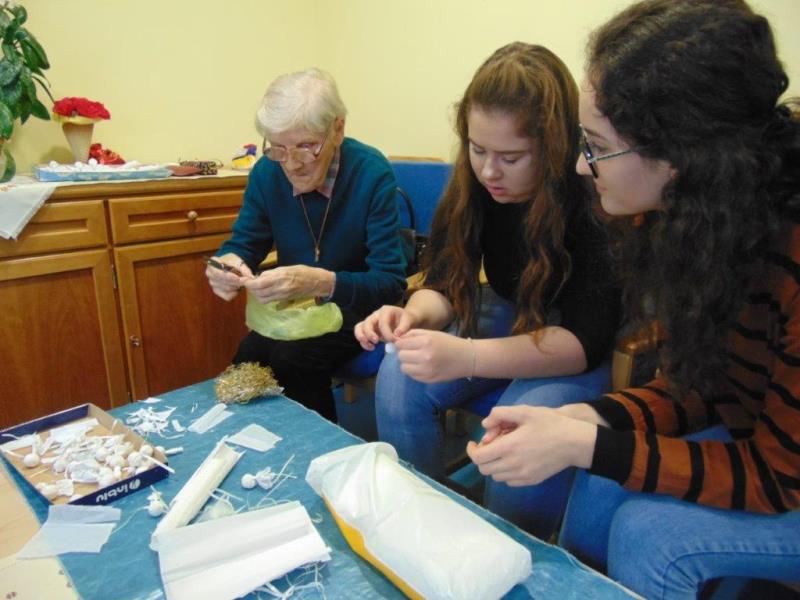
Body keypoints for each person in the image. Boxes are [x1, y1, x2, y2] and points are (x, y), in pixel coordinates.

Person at [467, 1, 800, 597]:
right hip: (756, 439)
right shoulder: (697, 220)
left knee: (648, 533)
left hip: (785, 470)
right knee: (599, 479)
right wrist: (589, 420)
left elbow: (780, 474)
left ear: (679, 155)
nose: (580, 164)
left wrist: (586, 442)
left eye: (596, 145)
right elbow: (698, 389)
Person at [354, 42, 621, 536]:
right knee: (400, 370)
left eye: (511, 157)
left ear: (555, 146)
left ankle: (506, 546)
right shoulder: (474, 186)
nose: (489, 171)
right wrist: (413, 316)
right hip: (512, 318)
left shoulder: (591, 196)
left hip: (572, 347)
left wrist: (468, 356)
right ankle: (421, 521)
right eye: (477, 150)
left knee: (521, 431)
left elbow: (582, 343)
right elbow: (443, 280)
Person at [206, 68, 406, 422]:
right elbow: (244, 243)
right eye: (278, 148)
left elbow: (389, 283)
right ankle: (259, 445)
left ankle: (320, 448)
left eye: (306, 146)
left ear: (338, 129)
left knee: (292, 359)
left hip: (356, 308)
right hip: (300, 309)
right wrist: (227, 264)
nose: (292, 164)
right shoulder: (266, 172)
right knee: (247, 358)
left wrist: (321, 282)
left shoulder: (370, 172)